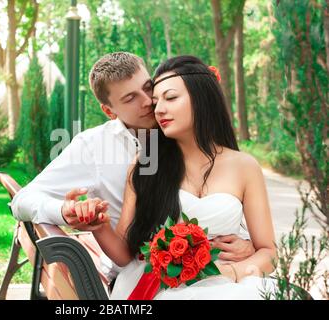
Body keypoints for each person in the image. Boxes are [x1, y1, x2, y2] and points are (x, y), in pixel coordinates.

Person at [10, 52, 255, 285]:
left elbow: (223, 198)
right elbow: (23, 200)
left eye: (148, 87)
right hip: (139, 276)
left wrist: (249, 244)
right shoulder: (94, 147)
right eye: (130, 98)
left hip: (213, 272)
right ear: (109, 111)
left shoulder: (182, 128)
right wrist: (67, 210)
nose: (149, 101)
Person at [78, 55, 278, 300]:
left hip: (231, 282)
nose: (159, 109)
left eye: (170, 98)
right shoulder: (144, 166)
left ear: (202, 99)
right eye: (156, 101)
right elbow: (123, 253)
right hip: (162, 287)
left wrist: (232, 272)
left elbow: (269, 251)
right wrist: (98, 226)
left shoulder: (244, 166)